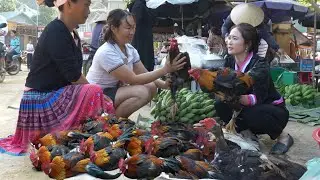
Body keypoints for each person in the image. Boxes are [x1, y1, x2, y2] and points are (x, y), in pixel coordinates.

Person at [0, 0, 115, 155]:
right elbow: (74, 76)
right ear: (68, 5)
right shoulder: (56, 31)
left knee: (98, 96)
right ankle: (77, 138)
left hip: (52, 93)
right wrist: (97, 94)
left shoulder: (70, 33)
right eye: (86, 5)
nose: (89, 10)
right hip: (39, 99)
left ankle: (82, 137)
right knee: (94, 92)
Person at [87, 9, 186, 118]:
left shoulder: (129, 49)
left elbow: (143, 73)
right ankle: (114, 122)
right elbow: (133, 79)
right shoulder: (106, 52)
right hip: (96, 95)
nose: (132, 32)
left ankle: (119, 119)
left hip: (113, 91)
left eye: (134, 27)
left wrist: (163, 85)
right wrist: (165, 69)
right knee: (141, 92)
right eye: (128, 28)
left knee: (151, 86)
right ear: (114, 28)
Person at [215, 23, 293, 155]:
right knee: (220, 104)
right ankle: (247, 134)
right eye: (229, 38)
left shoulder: (259, 64)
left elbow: (257, 98)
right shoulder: (228, 61)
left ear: (247, 44)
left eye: (235, 38)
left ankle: (283, 136)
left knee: (252, 113)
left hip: (270, 110)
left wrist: (234, 97)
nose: (229, 42)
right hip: (245, 106)